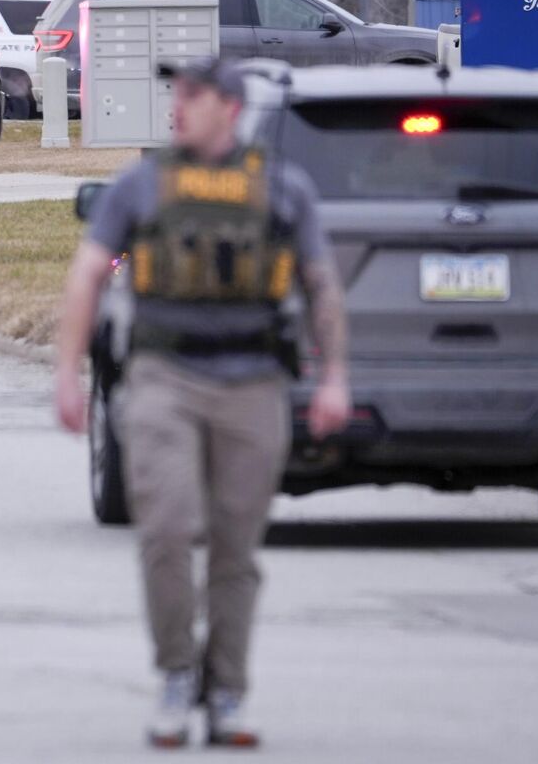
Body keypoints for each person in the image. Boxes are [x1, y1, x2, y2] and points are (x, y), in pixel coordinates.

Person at [52, 56, 352, 750]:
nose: (176, 107)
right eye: (175, 95)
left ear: (229, 107)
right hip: (164, 377)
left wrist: (334, 377)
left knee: (234, 547)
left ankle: (227, 692)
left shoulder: (281, 188)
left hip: (253, 385)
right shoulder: (143, 183)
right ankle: (176, 675)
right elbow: (89, 272)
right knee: (164, 529)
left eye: (190, 95)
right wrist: (67, 372)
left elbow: (322, 286)